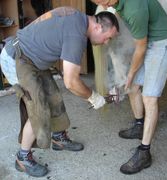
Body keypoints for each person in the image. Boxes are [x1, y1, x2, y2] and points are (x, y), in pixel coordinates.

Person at [0, 6, 119, 177]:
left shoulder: (77, 17)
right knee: (39, 109)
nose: (106, 42)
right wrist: (94, 97)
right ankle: (22, 158)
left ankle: (58, 139)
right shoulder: (77, 34)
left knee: (53, 97)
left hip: (32, 58)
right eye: (108, 38)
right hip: (16, 58)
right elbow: (71, 82)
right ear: (98, 27)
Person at [91, 0, 167, 174]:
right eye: (98, 2)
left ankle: (144, 153)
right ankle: (139, 125)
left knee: (149, 98)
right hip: (148, 43)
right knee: (132, 88)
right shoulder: (116, 4)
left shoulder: (134, 8)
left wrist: (129, 75)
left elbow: (141, 47)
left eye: (102, 0)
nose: (103, 4)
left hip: (162, 44)